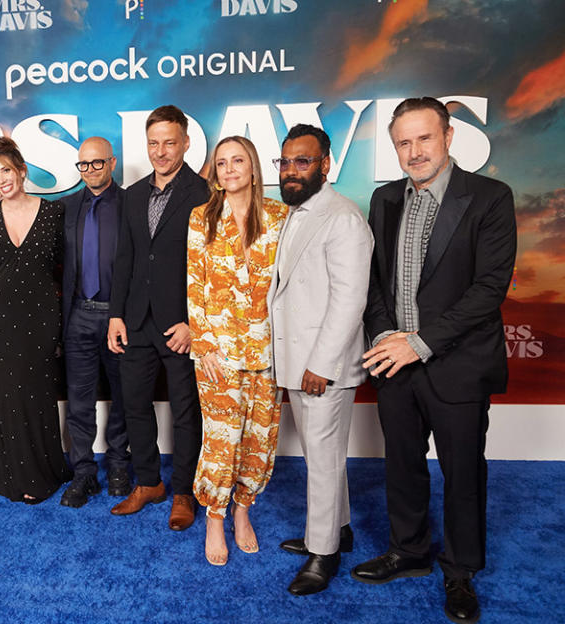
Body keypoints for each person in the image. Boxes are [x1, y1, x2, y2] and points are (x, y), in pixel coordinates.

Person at [353, 97, 516, 624]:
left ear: (448, 136)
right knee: (400, 466)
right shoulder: (384, 200)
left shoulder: (490, 197)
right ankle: (409, 551)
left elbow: (489, 289)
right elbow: (374, 281)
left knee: (462, 473)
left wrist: (417, 343)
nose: (414, 151)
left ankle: (461, 570)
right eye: (403, 142)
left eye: (424, 138)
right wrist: (383, 336)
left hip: (457, 363)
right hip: (393, 362)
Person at [268, 124, 373, 593]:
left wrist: (321, 365)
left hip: (322, 368)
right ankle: (340, 530)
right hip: (300, 362)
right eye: (285, 161)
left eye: (303, 161)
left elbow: (350, 301)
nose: (291, 170)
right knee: (321, 456)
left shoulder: (343, 217)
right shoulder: (299, 211)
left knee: (324, 461)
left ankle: (323, 554)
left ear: (326, 165)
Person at [186, 136, 288, 565]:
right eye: (221, 162)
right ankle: (214, 517)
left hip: (268, 350)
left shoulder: (281, 216)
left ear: (253, 167)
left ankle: (243, 511)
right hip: (218, 354)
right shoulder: (201, 217)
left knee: (258, 439)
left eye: (238, 161)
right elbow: (193, 284)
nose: (229, 169)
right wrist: (204, 345)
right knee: (221, 441)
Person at [108, 105, 210, 530]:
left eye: (170, 142)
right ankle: (149, 482)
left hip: (180, 324)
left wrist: (194, 323)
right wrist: (116, 315)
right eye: (154, 143)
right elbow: (125, 258)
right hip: (135, 320)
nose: (161, 151)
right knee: (134, 405)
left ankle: (184, 491)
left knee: (186, 412)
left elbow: (209, 266)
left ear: (186, 143)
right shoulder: (131, 195)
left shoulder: (204, 193)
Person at [0, 136, 71, 503]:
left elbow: (64, 266)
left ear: (22, 171)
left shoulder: (54, 213)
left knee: (38, 393)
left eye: (6, 171)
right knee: (6, 397)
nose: (1, 180)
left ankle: (45, 470)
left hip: (41, 314)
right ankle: (14, 475)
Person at [59, 136, 131, 508]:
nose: (89, 171)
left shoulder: (131, 204)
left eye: (97, 163)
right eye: (83, 165)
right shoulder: (67, 207)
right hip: (78, 316)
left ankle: (119, 464)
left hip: (118, 317)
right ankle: (83, 472)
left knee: (123, 398)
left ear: (112, 162)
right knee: (79, 401)